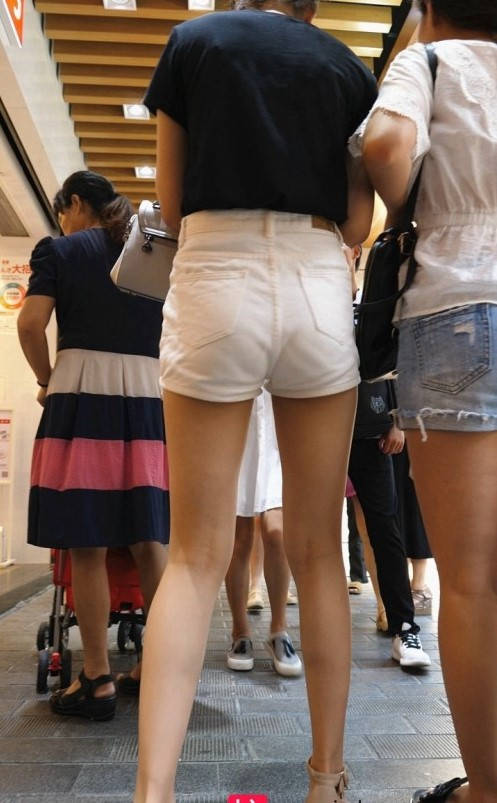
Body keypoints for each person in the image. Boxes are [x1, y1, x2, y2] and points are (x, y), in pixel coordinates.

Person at [136, 0, 377, 798]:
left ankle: (152, 790)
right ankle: (326, 778)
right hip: (315, 277)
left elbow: (172, 203)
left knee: (195, 557)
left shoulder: (193, 43)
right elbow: (356, 218)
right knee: (317, 553)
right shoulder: (347, 67)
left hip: (215, 272)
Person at [357, 1, 497, 800]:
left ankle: (485, 788)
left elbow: (383, 145)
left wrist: (408, 197)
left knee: (468, 581)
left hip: (455, 312)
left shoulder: (431, 63)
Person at [17, 171, 169, 720]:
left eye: (64, 212)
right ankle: (158, 668)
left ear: (76, 203)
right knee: (150, 539)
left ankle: (97, 677)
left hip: (83, 391)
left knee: (87, 542)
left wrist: (46, 378)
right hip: (148, 396)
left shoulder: (59, 251)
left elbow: (30, 325)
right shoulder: (153, 249)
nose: (63, 223)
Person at [226, 391, 302, 677]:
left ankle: (279, 630)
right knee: (240, 537)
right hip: (237, 418)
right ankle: (240, 631)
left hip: (279, 423)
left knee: (277, 532)